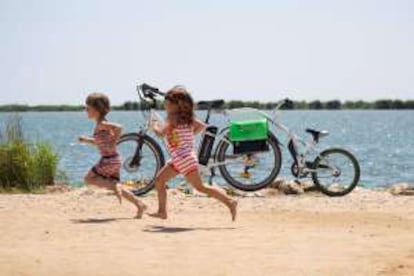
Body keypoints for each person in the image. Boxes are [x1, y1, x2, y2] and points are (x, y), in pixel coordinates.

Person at [149, 86, 238, 221]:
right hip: (181, 158)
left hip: (183, 159)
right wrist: (189, 136)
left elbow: (161, 134)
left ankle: (230, 202)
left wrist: (154, 125)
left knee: (200, 187)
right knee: (160, 181)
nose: (165, 106)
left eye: (167, 104)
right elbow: (202, 125)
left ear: (176, 105)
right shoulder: (188, 117)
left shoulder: (173, 119)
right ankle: (162, 212)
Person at [79, 92, 147, 218]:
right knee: (117, 186)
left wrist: (115, 139)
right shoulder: (101, 124)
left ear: (97, 110)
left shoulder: (102, 124)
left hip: (109, 160)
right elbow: (102, 143)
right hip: (114, 159)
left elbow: (119, 128)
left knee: (89, 179)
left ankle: (115, 186)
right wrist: (87, 140)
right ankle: (140, 204)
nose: (86, 110)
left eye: (88, 108)